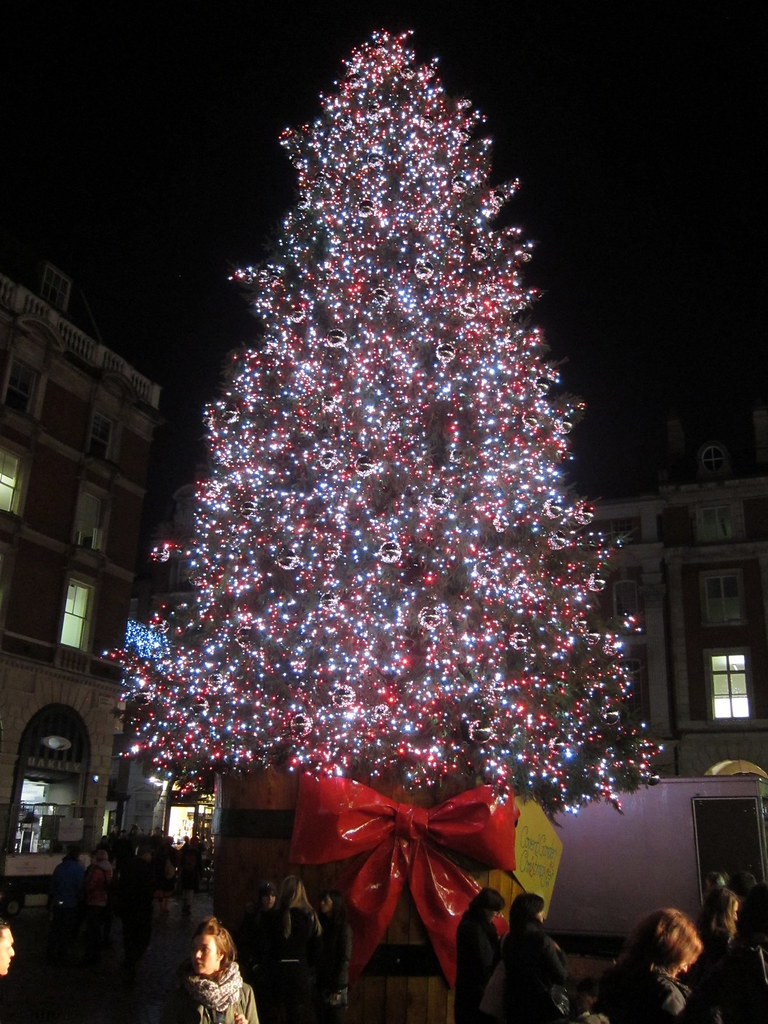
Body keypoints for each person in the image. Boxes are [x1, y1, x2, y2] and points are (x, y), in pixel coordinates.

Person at [681, 881, 768, 1023]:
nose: (736, 917)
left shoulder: (735, 956)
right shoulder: (736, 953)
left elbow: (698, 1005)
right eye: (734, 912)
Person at [597, 907, 702, 1023]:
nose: (685, 969)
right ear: (673, 953)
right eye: (685, 962)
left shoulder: (616, 982)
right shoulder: (667, 995)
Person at [161, 915, 259, 1023]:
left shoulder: (244, 994)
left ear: (220, 954)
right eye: (194, 948)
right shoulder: (180, 998)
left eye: (204, 949)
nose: (197, 955)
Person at [502, 892, 569, 1023]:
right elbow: (561, 975)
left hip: (513, 1004)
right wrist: (560, 952)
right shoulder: (542, 940)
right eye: (541, 911)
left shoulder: (509, 938)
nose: (544, 916)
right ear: (533, 914)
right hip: (539, 1007)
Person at [271, 875, 322, 1024]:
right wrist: (309, 966)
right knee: (298, 1016)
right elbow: (317, 948)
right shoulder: (310, 916)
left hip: (279, 970)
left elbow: (269, 946)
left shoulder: (277, 916)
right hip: (300, 970)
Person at [455, 887, 505, 1024]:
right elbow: (486, 961)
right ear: (485, 909)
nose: (498, 915)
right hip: (477, 993)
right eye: (496, 911)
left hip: (471, 992)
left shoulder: (472, 923)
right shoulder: (475, 928)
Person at [682, 886, 739, 988]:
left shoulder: (696, 935)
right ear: (725, 914)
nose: (736, 918)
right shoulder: (727, 941)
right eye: (734, 912)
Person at [237, 881, 279, 1017]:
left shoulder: (278, 917)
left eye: (272, 896)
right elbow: (244, 940)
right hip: (255, 967)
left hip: (272, 969)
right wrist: (250, 962)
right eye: (266, 896)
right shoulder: (253, 916)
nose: (270, 899)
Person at [119, 841, 155, 982]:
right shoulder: (146, 869)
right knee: (141, 936)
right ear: (145, 855)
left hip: (128, 907)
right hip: (142, 908)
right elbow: (149, 888)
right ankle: (133, 958)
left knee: (128, 934)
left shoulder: (128, 866)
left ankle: (129, 957)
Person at [316, 889, 353, 1024]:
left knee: (336, 1018)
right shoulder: (321, 926)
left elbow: (344, 958)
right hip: (322, 982)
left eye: (326, 901)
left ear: (335, 904)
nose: (322, 904)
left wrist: (338, 987)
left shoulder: (343, 928)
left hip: (336, 984)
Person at [47, 844, 86, 965]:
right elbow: (80, 887)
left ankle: (51, 952)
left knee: (56, 928)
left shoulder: (59, 867)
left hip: (59, 902)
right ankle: (62, 954)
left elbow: (53, 885)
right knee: (66, 930)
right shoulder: (78, 869)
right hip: (71, 903)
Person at [83, 847, 113, 965]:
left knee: (93, 928)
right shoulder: (110, 869)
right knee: (100, 926)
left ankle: (92, 954)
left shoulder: (96, 870)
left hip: (94, 900)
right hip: (105, 900)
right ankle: (99, 948)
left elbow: (90, 885)